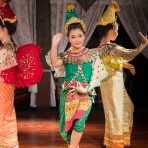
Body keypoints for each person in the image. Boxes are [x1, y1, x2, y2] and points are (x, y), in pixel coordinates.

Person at [46, 3, 107, 148]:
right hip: (68, 94)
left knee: (79, 123)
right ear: (68, 38)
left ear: (84, 35)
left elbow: (99, 74)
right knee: (66, 128)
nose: (77, 39)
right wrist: (54, 45)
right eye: (73, 37)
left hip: (86, 94)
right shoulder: (66, 56)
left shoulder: (92, 54)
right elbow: (54, 63)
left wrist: (87, 89)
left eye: (80, 36)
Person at [89, 1, 148, 148]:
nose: (117, 32)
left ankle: (114, 140)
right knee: (117, 110)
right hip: (112, 83)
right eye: (115, 29)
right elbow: (129, 54)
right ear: (107, 31)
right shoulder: (110, 47)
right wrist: (142, 45)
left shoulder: (102, 47)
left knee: (122, 108)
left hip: (111, 83)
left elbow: (111, 61)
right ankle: (114, 142)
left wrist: (123, 64)